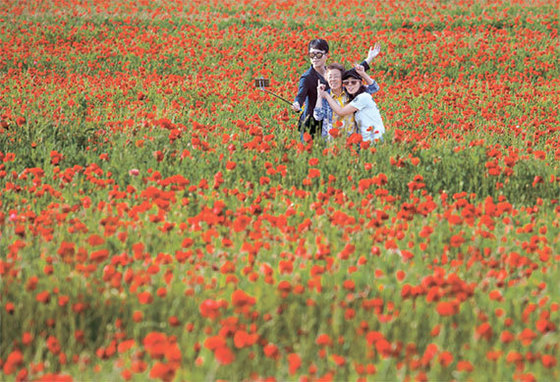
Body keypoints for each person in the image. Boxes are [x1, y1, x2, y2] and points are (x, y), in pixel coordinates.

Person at [292, 39, 379, 139]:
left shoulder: (331, 73)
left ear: (326, 55)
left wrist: (369, 58)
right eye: (311, 55)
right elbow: (300, 95)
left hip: (331, 122)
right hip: (312, 123)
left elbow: (353, 72)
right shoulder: (307, 77)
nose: (315, 58)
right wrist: (297, 104)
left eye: (318, 54)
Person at [313, 44, 381, 140]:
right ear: (327, 79)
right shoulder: (325, 96)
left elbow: (374, 88)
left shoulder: (350, 91)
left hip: (353, 139)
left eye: (336, 76)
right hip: (333, 140)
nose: (333, 79)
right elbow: (318, 117)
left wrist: (367, 63)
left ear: (342, 78)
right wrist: (320, 96)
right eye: (330, 77)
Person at [318, 66, 385, 143]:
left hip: (374, 138)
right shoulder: (353, 96)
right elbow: (318, 116)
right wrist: (320, 96)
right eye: (346, 83)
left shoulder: (363, 97)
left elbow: (341, 111)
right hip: (360, 139)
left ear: (360, 83)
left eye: (353, 82)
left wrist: (326, 95)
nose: (350, 85)